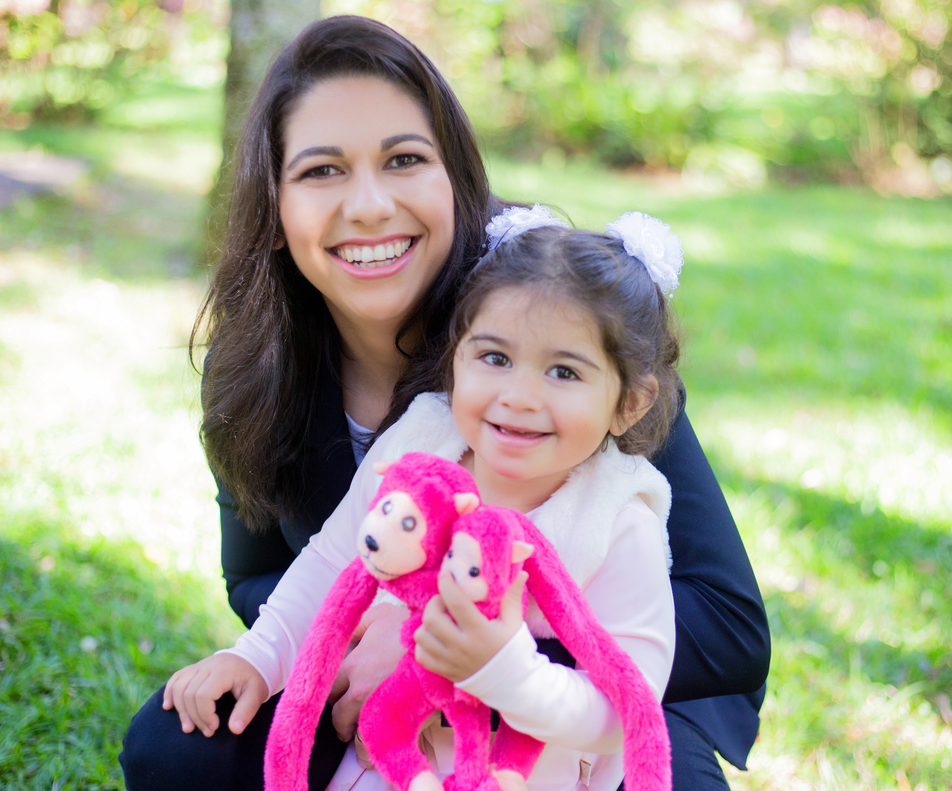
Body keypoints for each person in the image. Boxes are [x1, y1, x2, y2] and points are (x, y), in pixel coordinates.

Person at [120, 15, 769, 791]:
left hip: (598, 693)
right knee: (180, 748)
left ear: (454, 175)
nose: (367, 206)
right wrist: (367, 621)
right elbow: (258, 575)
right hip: (371, 679)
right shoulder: (258, 361)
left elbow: (727, 625)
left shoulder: (556, 334)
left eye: (403, 159)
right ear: (275, 205)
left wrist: (456, 640)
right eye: (322, 170)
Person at [166, 210, 689, 791]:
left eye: (564, 372)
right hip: (380, 756)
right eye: (495, 358)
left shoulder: (616, 522)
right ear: (455, 357)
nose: (518, 396)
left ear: (630, 403)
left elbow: (625, 710)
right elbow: (331, 564)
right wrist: (257, 660)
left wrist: (504, 671)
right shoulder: (425, 442)